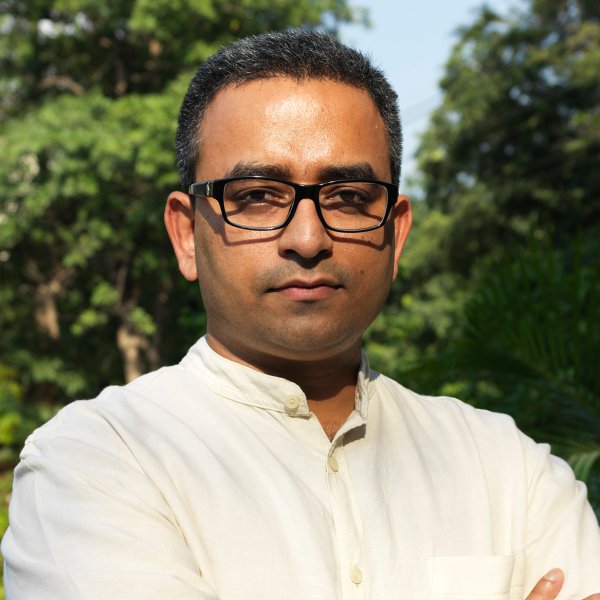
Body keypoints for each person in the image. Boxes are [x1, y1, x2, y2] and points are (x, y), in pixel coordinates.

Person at [2, 29, 599, 600]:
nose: (308, 238)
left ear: (396, 234)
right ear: (187, 235)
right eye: (257, 196)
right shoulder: (96, 460)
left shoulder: (506, 467)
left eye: (349, 198)